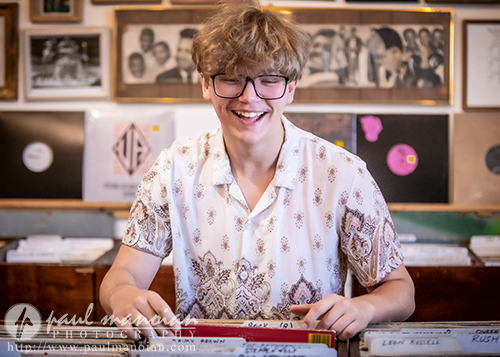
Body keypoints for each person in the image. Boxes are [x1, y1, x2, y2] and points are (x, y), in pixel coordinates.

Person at [100, 1, 415, 342]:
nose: (249, 98)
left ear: (290, 88)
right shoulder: (173, 170)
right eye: (231, 79)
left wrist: (364, 308)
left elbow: (400, 291)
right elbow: (122, 277)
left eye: (268, 81)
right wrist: (122, 296)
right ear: (206, 84)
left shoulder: (343, 175)